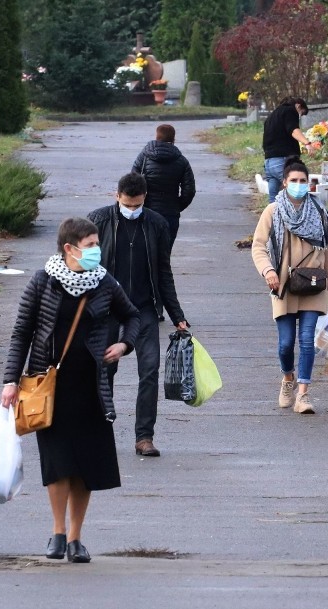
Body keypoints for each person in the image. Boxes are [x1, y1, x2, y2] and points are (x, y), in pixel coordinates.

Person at [1, 217, 140, 564]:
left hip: (92, 387)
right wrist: (9, 379)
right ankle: (58, 532)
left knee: (86, 466)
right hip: (49, 388)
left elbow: (133, 317)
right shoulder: (43, 281)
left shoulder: (104, 281)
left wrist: (124, 345)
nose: (97, 250)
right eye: (91, 244)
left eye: (97, 243)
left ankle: (77, 537)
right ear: (69, 248)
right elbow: (22, 332)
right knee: (59, 462)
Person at [88, 173, 189, 457]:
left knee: (149, 370)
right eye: (127, 205)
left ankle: (144, 437)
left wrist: (176, 313)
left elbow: (164, 272)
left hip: (144, 310)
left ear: (145, 198)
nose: (131, 210)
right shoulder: (98, 221)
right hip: (106, 310)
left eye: (137, 205)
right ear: (116, 196)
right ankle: (100, 431)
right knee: (104, 371)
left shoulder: (157, 225)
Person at [251, 156, 328, 414]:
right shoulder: (273, 211)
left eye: (303, 181)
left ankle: (303, 395)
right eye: (294, 181)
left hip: (314, 285)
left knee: (307, 340)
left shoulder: (320, 212)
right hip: (284, 285)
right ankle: (288, 378)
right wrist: (268, 271)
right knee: (285, 343)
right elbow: (258, 246)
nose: (299, 185)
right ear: (284, 183)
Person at [131, 124, 196, 250]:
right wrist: (177, 206)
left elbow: (132, 183)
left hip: (145, 211)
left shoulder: (143, 157)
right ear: (173, 139)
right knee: (164, 253)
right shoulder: (181, 160)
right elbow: (189, 191)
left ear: (157, 136)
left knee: (144, 251)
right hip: (170, 213)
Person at [262, 97, 315, 202]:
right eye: (301, 113)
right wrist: (307, 143)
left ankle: (273, 218)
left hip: (269, 162)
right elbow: (293, 130)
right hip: (282, 160)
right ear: (298, 106)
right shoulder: (290, 111)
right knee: (294, 194)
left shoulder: (272, 116)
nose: (299, 116)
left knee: (274, 199)